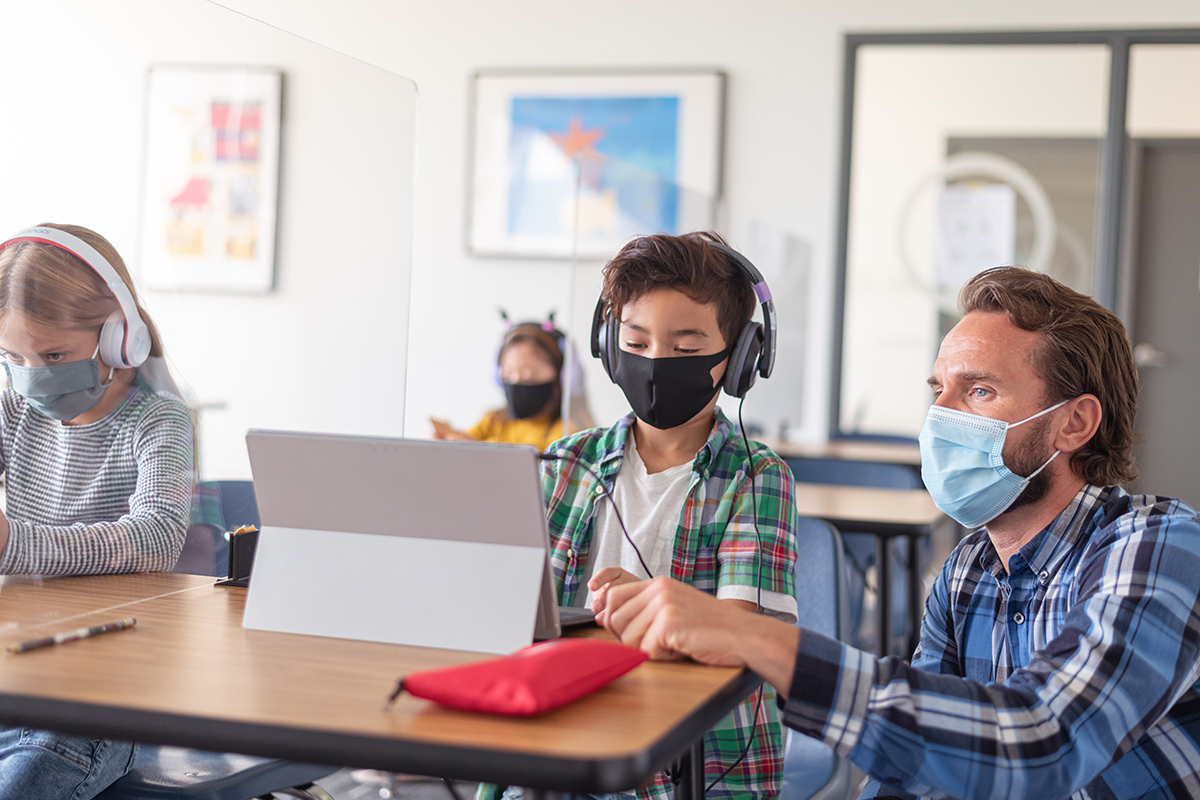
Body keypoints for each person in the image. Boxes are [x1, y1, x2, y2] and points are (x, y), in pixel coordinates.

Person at [599, 265, 1200, 800]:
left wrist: (763, 641)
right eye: (940, 390)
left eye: (980, 390)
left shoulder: (1160, 545)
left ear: (1074, 423)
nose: (941, 415)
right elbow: (914, 767)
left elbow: (1045, 744)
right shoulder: (967, 571)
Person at [483, 232, 799, 800]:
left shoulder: (756, 476)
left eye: (685, 348)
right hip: (553, 744)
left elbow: (740, 639)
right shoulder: (564, 463)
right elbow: (506, 607)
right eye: (636, 340)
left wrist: (657, 609)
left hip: (692, 767)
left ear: (741, 359)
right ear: (608, 344)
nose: (656, 363)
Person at [0, 223, 195, 799]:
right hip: (24, 668)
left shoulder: (158, 420)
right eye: (12, 355)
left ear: (120, 338)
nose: (33, 375)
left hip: (109, 694)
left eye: (54, 354)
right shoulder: (15, 404)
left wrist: (13, 542)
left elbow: (157, 537)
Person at [433, 319, 594, 451]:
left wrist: (478, 449)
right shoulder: (493, 420)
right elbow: (465, 441)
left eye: (528, 376)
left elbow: (541, 462)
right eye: (507, 375)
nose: (516, 383)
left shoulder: (569, 431)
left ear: (564, 377)